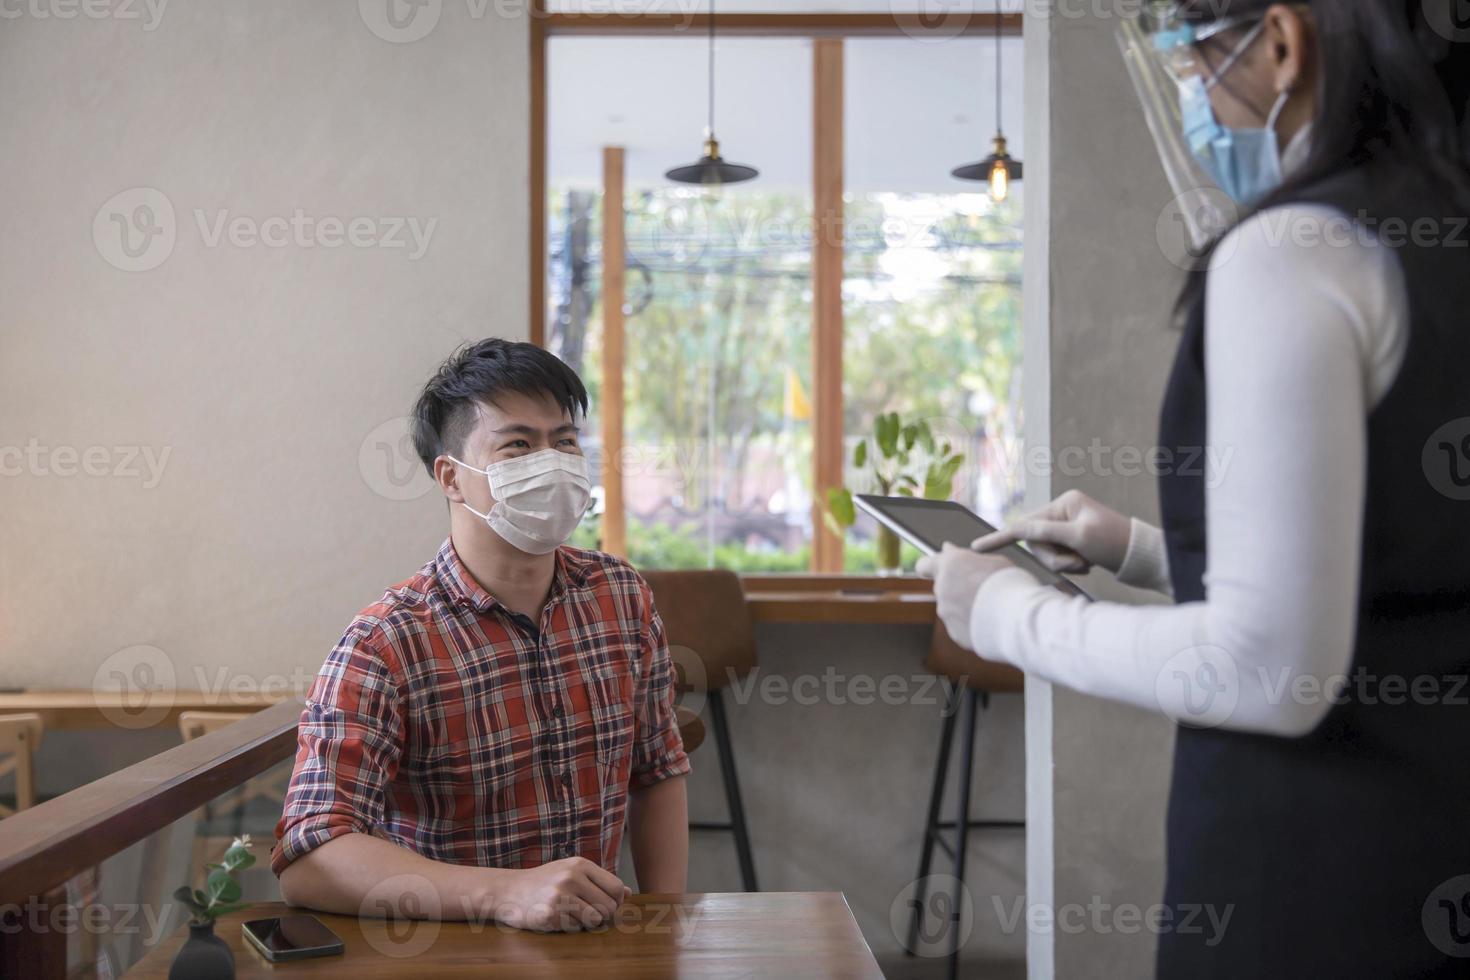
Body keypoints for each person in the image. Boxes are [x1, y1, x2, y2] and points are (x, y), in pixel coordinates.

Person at [920, 1, 1470, 974]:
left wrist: (1003, 614)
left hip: (1314, 882)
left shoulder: (1292, 253)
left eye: (1191, 66)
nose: (1189, 100)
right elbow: (1400, 572)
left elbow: (1268, 667)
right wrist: (1136, 547)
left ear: (1283, 42)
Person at [272, 339, 690, 932]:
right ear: (451, 477)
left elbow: (657, 770)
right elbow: (310, 856)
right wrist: (505, 896)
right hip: (447, 951)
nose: (551, 460)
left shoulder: (619, 596)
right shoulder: (386, 644)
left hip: (596, 946)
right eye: (519, 444)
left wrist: (662, 927)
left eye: (565, 441)